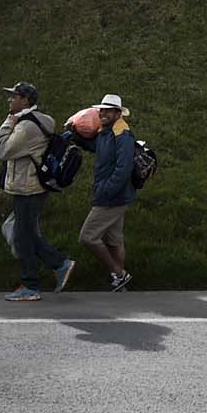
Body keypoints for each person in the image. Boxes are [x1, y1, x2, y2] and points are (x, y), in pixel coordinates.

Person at [0, 81, 75, 301]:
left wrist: (8, 122)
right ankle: (48, 271)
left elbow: (3, 149)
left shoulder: (25, 126)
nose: (10, 99)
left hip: (28, 188)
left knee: (23, 237)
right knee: (25, 235)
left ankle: (44, 276)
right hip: (34, 186)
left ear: (26, 100)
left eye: (14, 96)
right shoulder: (39, 120)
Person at [78, 93, 138, 291]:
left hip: (112, 197)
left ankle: (119, 274)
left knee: (87, 237)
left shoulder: (123, 136)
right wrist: (76, 136)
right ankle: (119, 282)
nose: (102, 113)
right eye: (101, 110)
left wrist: (105, 191)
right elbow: (97, 147)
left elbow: (123, 169)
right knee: (113, 240)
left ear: (118, 113)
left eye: (107, 111)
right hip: (113, 195)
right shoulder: (107, 132)